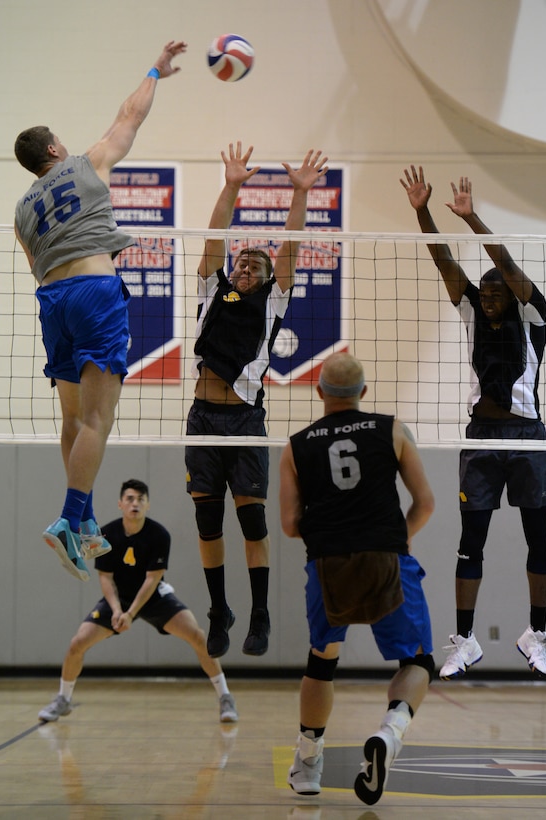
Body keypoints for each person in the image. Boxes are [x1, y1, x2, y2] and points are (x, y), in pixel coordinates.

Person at [13, 40, 187, 582]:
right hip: (94, 292)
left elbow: (36, 266)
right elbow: (129, 115)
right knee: (97, 419)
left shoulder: (21, 211)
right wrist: (155, 69)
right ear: (56, 148)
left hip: (52, 301)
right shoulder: (85, 166)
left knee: (71, 418)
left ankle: (85, 522)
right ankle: (69, 520)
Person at [400, 165, 546, 679]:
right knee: (472, 541)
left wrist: (473, 220)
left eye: (494, 293)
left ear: (511, 295)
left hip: (528, 435)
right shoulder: (471, 311)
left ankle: (536, 633)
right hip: (483, 436)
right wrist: (423, 212)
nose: (486, 298)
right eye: (482, 293)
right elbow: (442, 262)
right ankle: (464, 640)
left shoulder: (533, 315)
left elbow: (505, 264)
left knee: (540, 539)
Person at [186, 141, 329, 659]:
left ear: (269, 280)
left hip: (245, 419)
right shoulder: (212, 292)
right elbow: (214, 237)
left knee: (251, 522)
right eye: (241, 263)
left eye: (255, 266)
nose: (245, 268)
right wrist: (231, 185)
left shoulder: (274, 302)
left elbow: (290, 244)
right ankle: (218, 610)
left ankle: (260, 613)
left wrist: (300, 194)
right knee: (206, 522)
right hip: (202, 418)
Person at [279, 352, 435, 805]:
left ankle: (308, 764)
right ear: (364, 393)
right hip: (388, 557)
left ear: (320, 392)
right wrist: (395, 539)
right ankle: (389, 734)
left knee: (322, 660)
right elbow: (425, 503)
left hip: (328, 563)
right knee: (418, 663)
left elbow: (289, 524)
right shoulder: (392, 429)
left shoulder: (296, 445)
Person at [38, 479, 238, 725]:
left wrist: (130, 614)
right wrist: (116, 610)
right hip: (118, 599)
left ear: (148, 505)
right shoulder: (105, 535)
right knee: (77, 643)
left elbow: (152, 580)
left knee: (198, 636)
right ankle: (63, 699)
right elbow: (105, 579)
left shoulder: (159, 534)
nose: (135, 503)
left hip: (153, 597)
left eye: (141, 499)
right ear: (120, 504)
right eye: (130, 499)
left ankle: (225, 697)